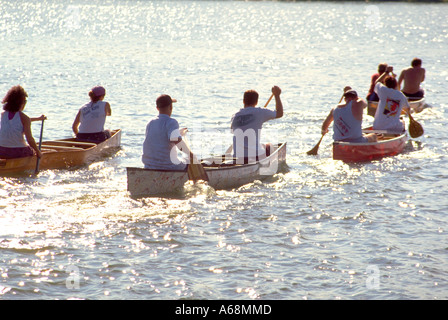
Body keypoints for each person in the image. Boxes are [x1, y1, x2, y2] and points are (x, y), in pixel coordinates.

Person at [230, 86, 283, 163]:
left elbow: (234, 131)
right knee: (269, 146)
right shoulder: (260, 112)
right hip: (255, 156)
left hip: (237, 157)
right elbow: (279, 113)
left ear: (243, 101)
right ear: (256, 102)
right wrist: (277, 96)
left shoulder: (235, 116)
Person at [142, 94, 195, 171]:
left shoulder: (150, 123)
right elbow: (176, 140)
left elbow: (160, 138)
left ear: (157, 108)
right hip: (168, 166)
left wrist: (179, 133)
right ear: (171, 107)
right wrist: (191, 155)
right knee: (189, 160)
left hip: (149, 165)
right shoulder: (171, 122)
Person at [0, 85, 46, 159]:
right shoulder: (24, 118)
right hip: (18, 152)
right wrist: (38, 152)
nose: (25, 103)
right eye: (25, 101)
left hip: (1, 150)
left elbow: (16, 123)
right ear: (21, 102)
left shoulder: (3, 115)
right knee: (33, 150)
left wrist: (38, 119)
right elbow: (30, 139)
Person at [373, 66, 411, 132]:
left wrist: (386, 72)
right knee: (403, 121)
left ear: (385, 84)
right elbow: (408, 108)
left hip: (378, 127)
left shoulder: (383, 90)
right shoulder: (401, 96)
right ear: (395, 85)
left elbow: (377, 82)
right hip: (394, 128)